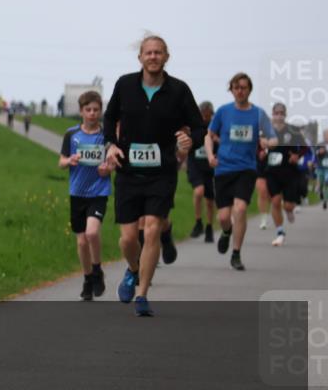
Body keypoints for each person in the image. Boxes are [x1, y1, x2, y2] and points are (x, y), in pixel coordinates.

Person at [103, 36, 204, 316]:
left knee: (151, 230)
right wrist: (110, 144)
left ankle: (142, 295)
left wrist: (190, 140)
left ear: (166, 57)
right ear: (140, 57)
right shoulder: (125, 85)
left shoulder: (179, 90)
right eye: (148, 52)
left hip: (162, 172)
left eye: (158, 52)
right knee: (127, 239)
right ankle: (133, 269)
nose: (153, 57)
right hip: (128, 171)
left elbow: (199, 127)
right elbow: (109, 118)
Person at [206, 73, 274, 269]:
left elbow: (274, 138)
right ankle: (226, 231)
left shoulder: (258, 114)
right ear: (232, 90)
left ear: (249, 89)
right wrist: (210, 155)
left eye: (243, 87)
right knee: (223, 217)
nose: (240, 91)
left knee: (241, 209)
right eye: (236, 88)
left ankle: (236, 253)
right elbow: (209, 135)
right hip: (223, 169)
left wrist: (267, 142)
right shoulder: (223, 111)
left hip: (246, 168)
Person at [58, 91, 112, 300]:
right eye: (88, 110)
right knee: (81, 242)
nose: (92, 113)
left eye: (96, 110)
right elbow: (61, 161)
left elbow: (113, 161)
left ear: (100, 111)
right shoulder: (71, 134)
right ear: (81, 111)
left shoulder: (106, 135)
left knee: (92, 233)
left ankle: (97, 270)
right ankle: (88, 279)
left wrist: (108, 168)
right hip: (77, 192)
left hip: (99, 191)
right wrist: (69, 160)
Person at [265, 103, 308, 246]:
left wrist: (297, 156)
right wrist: (260, 152)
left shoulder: (293, 130)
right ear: (272, 114)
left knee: (288, 205)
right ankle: (280, 232)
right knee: (275, 201)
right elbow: (259, 145)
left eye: (281, 113)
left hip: (289, 172)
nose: (279, 116)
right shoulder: (267, 130)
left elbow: (305, 147)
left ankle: (289, 210)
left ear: (285, 114)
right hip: (272, 171)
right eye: (276, 113)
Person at [187, 102, 217, 242]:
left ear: (211, 114)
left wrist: (216, 140)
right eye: (202, 113)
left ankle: (209, 227)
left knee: (210, 200)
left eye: (207, 114)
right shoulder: (194, 125)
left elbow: (224, 142)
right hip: (195, 164)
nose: (205, 116)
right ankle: (198, 222)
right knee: (199, 191)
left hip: (210, 166)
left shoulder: (215, 126)